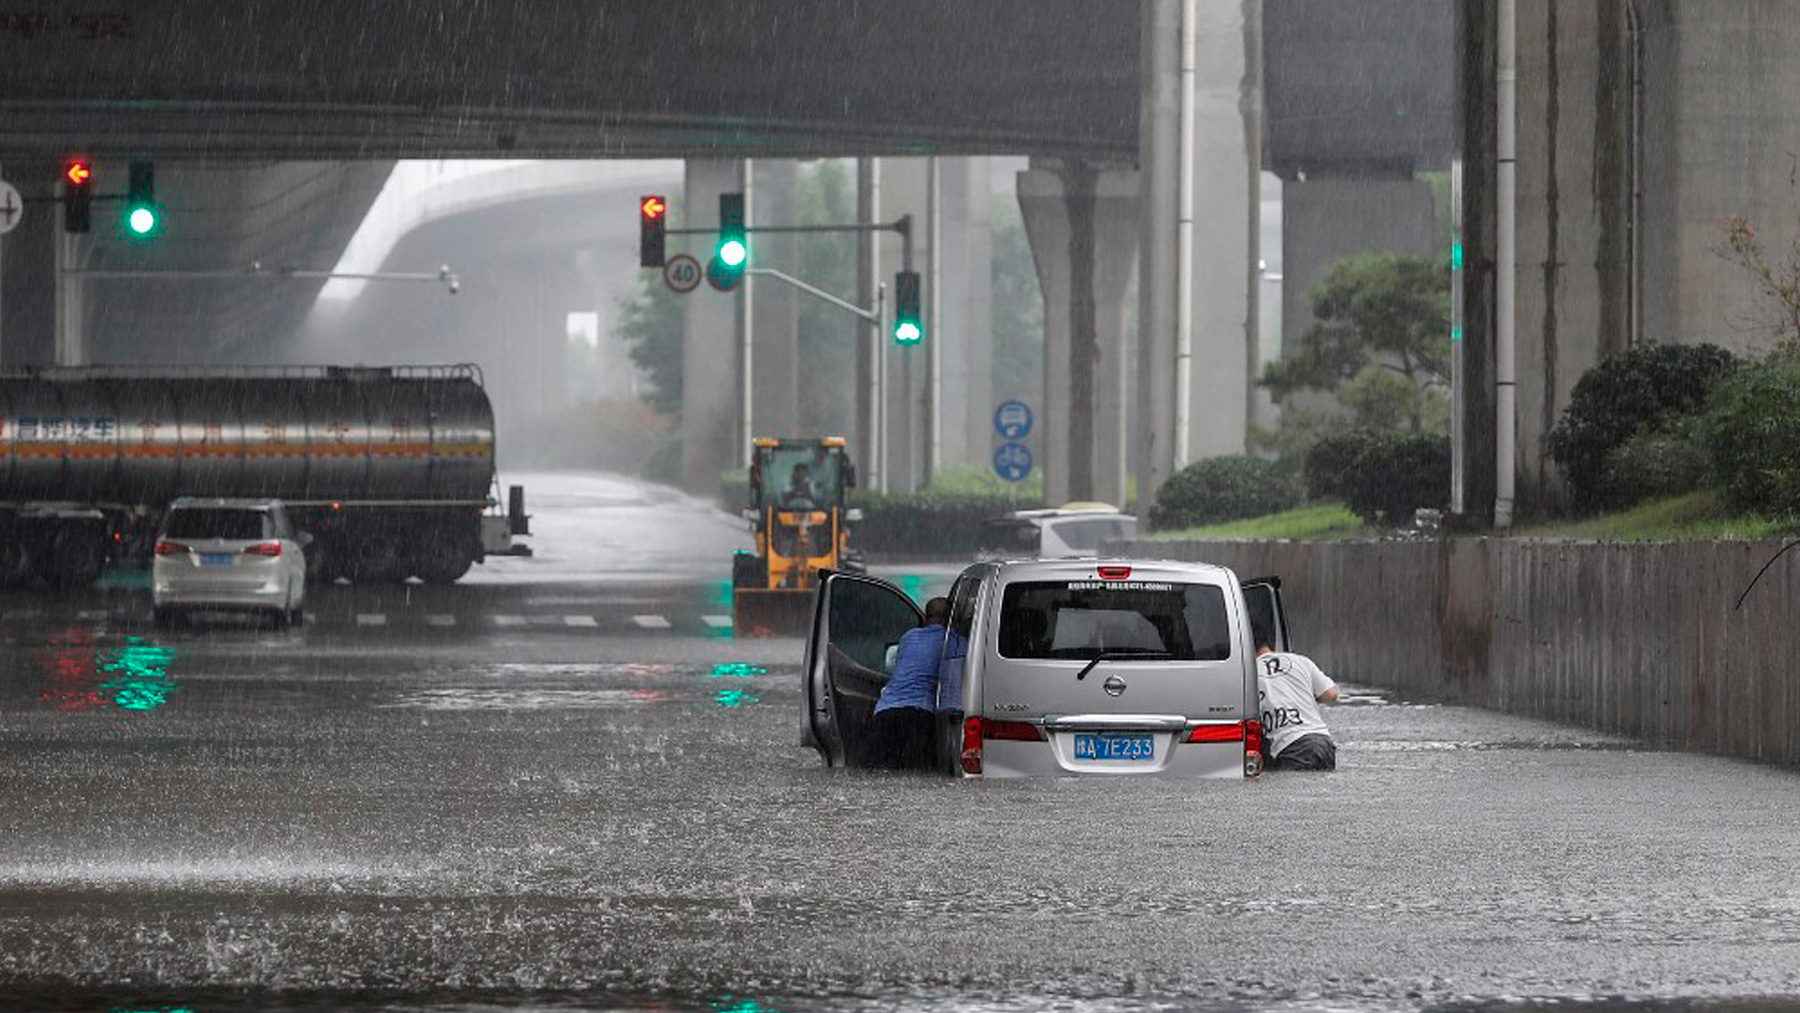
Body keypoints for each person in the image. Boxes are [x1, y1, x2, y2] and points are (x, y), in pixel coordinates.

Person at [865, 596, 953, 770]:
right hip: (918, 715)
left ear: (926, 618)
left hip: (884, 713)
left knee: (877, 774)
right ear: (949, 618)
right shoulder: (951, 642)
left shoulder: (907, 637)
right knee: (916, 776)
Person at [1252, 618, 1339, 771]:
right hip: (1323, 742)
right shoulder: (1300, 660)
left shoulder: (1248, 675)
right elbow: (1331, 694)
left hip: (1291, 748)